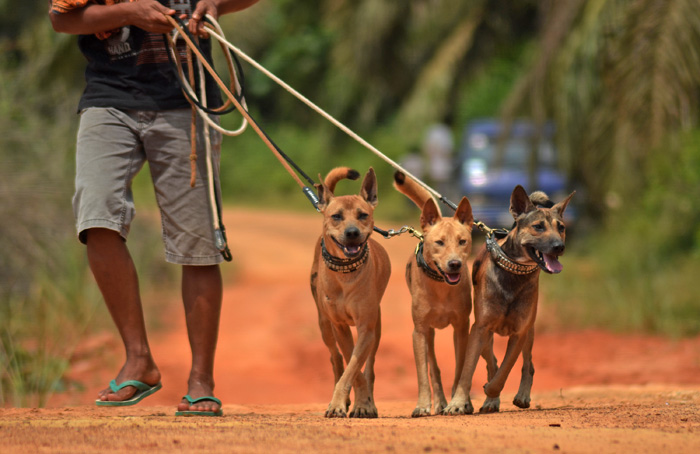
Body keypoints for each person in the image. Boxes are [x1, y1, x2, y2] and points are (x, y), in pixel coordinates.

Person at [48, 0, 259, 416]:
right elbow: (61, 18)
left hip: (187, 99)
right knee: (96, 216)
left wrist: (214, 4)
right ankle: (138, 359)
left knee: (198, 240)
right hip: (108, 98)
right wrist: (127, 14)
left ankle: (201, 380)